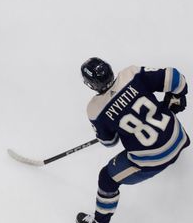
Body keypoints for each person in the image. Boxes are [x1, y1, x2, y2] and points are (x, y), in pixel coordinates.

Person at [76, 58, 188, 223]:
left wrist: (108, 130)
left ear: (90, 84)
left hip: (154, 160)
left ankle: (99, 221)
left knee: (107, 178)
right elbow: (176, 78)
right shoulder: (131, 74)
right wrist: (177, 98)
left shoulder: (94, 109)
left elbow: (109, 142)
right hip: (178, 136)